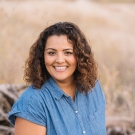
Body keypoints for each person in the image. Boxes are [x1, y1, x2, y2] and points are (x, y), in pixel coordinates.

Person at [8, 22, 106, 135]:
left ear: (80, 56)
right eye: (52, 52)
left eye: (68, 52)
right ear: (42, 56)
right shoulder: (32, 103)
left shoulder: (93, 86)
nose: (59, 60)